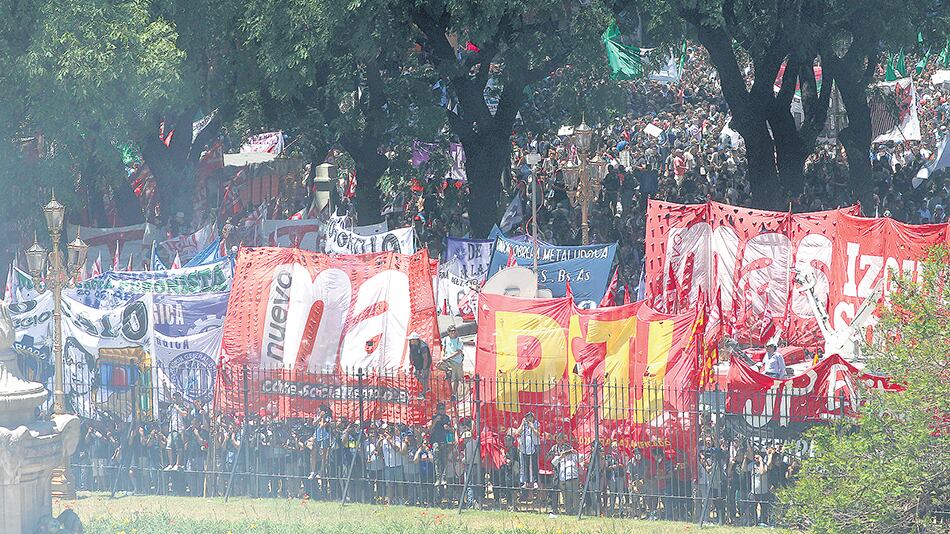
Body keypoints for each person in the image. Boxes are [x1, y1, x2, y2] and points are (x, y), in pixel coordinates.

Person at [438, 325, 465, 401]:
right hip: (447, 360)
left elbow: (459, 351)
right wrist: (441, 358)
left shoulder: (459, 340)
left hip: (456, 361)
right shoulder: (445, 339)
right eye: (451, 331)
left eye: (454, 330)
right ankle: (448, 371)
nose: (453, 332)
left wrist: (448, 357)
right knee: (438, 365)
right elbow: (443, 349)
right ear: (448, 332)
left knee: (457, 379)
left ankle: (455, 394)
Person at [515, 412, 540, 489]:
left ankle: (535, 481)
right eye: (527, 417)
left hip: (534, 445)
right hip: (525, 446)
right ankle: (526, 481)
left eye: (530, 417)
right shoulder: (524, 425)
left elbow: (538, 434)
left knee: (534, 464)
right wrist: (522, 424)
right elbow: (517, 433)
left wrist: (532, 427)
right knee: (525, 464)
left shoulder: (536, 424)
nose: (529, 419)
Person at [408, 332, 432, 398]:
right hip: (417, 363)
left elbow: (425, 358)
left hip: (425, 363)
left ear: (415, 340)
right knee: (417, 375)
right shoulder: (411, 344)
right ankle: (426, 388)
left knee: (424, 377)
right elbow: (411, 353)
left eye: (411, 340)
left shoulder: (423, 346)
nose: (410, 341)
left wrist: (424, 369)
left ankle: (424, 393)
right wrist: (411, 363)